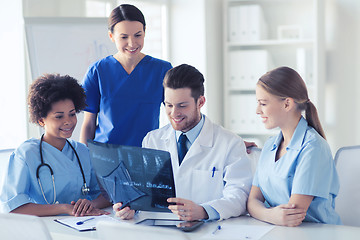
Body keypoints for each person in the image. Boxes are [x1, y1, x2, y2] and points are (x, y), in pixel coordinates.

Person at [113, 64, 252, 221]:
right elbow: (142, 191)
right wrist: (131, 207)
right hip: (159, 230)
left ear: (200, 102)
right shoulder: (152, 140)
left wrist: (204, 211)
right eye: (169, 105)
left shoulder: (230, 143)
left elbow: (239, 196)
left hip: (207, 231)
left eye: (182, 105)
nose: (174, 113)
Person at [0, 74, 110, 216]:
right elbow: (13, 206)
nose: (68, 121)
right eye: (59, 116)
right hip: (44, 230)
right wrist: (64, 208)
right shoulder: (26, 154)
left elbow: (107, 195)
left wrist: (89, 205)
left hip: (83, 226)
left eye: (72, 114)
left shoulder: (82, 151)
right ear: (41, 120)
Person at [247, 66, 342, 226]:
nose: (257, 110)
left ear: (287, 104)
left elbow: (292, 216)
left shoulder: (313, 147)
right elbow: (252, 202)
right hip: (278, 231)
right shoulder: (270, 145)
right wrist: (271, 215)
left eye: (263, 103)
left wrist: (264, 213)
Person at [80, 4, 172, 147]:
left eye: (138, 35)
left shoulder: (162, 70)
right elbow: (89, 124)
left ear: (145, 32)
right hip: (105, 156)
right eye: (124, 37)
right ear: (111, 36)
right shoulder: (97, 71)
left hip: (146, 154)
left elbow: (175, 114)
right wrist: (83, 161)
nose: (132, 43)